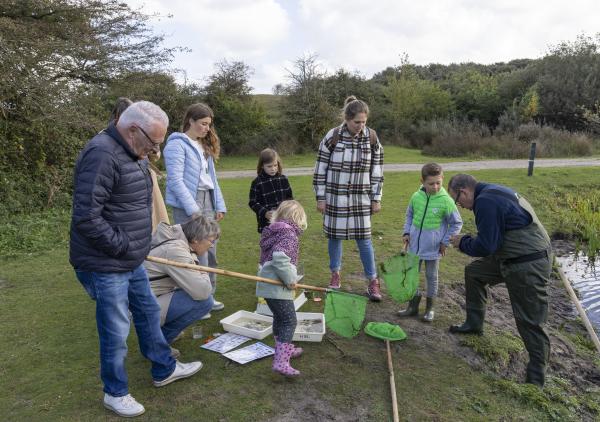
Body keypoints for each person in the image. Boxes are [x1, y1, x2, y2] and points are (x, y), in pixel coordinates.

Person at [70, 101, 203, 418]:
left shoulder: (135, 153)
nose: (156, 151)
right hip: (105, 264)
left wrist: (137, 245)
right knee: (115, 331)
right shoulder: (101, 154)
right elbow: (87, 218)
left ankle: (164, 369)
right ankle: (114, 393)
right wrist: (124, 246)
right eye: (153, 143)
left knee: (146, 312)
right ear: (132, 130)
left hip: (129, 259)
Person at [447, 174, 552, 387]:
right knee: (475, 272)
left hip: (527, 262)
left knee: (529, 319)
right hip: (510, 255)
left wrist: (463, 242)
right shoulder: (491, 191)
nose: (460, 206)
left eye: (458, 200)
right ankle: (474, 324)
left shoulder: (485, 201)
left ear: (465, 191)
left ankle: (536, 378)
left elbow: (486, 246)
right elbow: (493, 239)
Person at [312, 95, 384, 301]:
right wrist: (320, 197)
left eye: (364, 122)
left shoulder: (372, 138)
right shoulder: (332, 136)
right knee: (335, 238)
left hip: (361, 200)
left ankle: (372, 282)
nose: (361, 126)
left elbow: (377, 170)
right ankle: (335, 276)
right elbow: (320, 169)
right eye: (357, 122)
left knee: (365, 240)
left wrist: (376, 198)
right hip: (335, 197)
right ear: (347, 118)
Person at [163, 103, 226, 314]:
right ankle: (198, 301)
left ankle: (208, 297)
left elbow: (212, 179)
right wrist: (193, 209)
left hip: (207, 200)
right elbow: (175, 181)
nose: (207, 128)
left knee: (211, 250)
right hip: (188, 205)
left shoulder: (203, 146)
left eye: (209, 124)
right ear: (190, 121)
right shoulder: (176, 145)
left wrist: (219, 204)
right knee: (194, 253)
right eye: (203, 124)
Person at [144, 214, 218, 358]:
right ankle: (157, 345)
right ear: (196, 239)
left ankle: (159, 334)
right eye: (211, 240)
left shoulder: (177, 237)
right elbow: (202, 291)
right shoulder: (175, 251)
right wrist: (202, 270)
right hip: (142, 306)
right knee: (204, 302)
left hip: (150, 296)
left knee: (191, 288)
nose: (212, 245)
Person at [397, 163, 463, 322]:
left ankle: (430, 309)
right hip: (414, 247)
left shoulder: (447, 201)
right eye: (431, 183)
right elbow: (409, 216)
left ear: (442, 180)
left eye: (438, 183)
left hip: (433, 249)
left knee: (431, 277)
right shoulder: (416, 197)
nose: (435, 187)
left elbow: (456, 223)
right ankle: (412, 306)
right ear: (422, 181)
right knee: (411, 275)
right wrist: (406, 232)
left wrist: (445, 241)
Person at [256, 200, 307, 376]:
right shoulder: (288, 234)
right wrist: (290, 280)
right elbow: (279, 258)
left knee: (280, 318)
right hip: (276, 286)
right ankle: (281, 361)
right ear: (298, 218)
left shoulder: (274, 231)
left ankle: (283, 348)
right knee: (289, 321)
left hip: (266, 284)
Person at [248, 148, 293, 233]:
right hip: (266, 224)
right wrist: (265, 213)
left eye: (275, 165)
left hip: (284, 221)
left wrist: (287, 210)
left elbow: (290, 198)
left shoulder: (283, 179)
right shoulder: (257, 182)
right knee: (269, 246)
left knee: (283, 245)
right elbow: (252, 202)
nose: (273, 169)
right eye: (269, 166)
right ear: (262, 165)